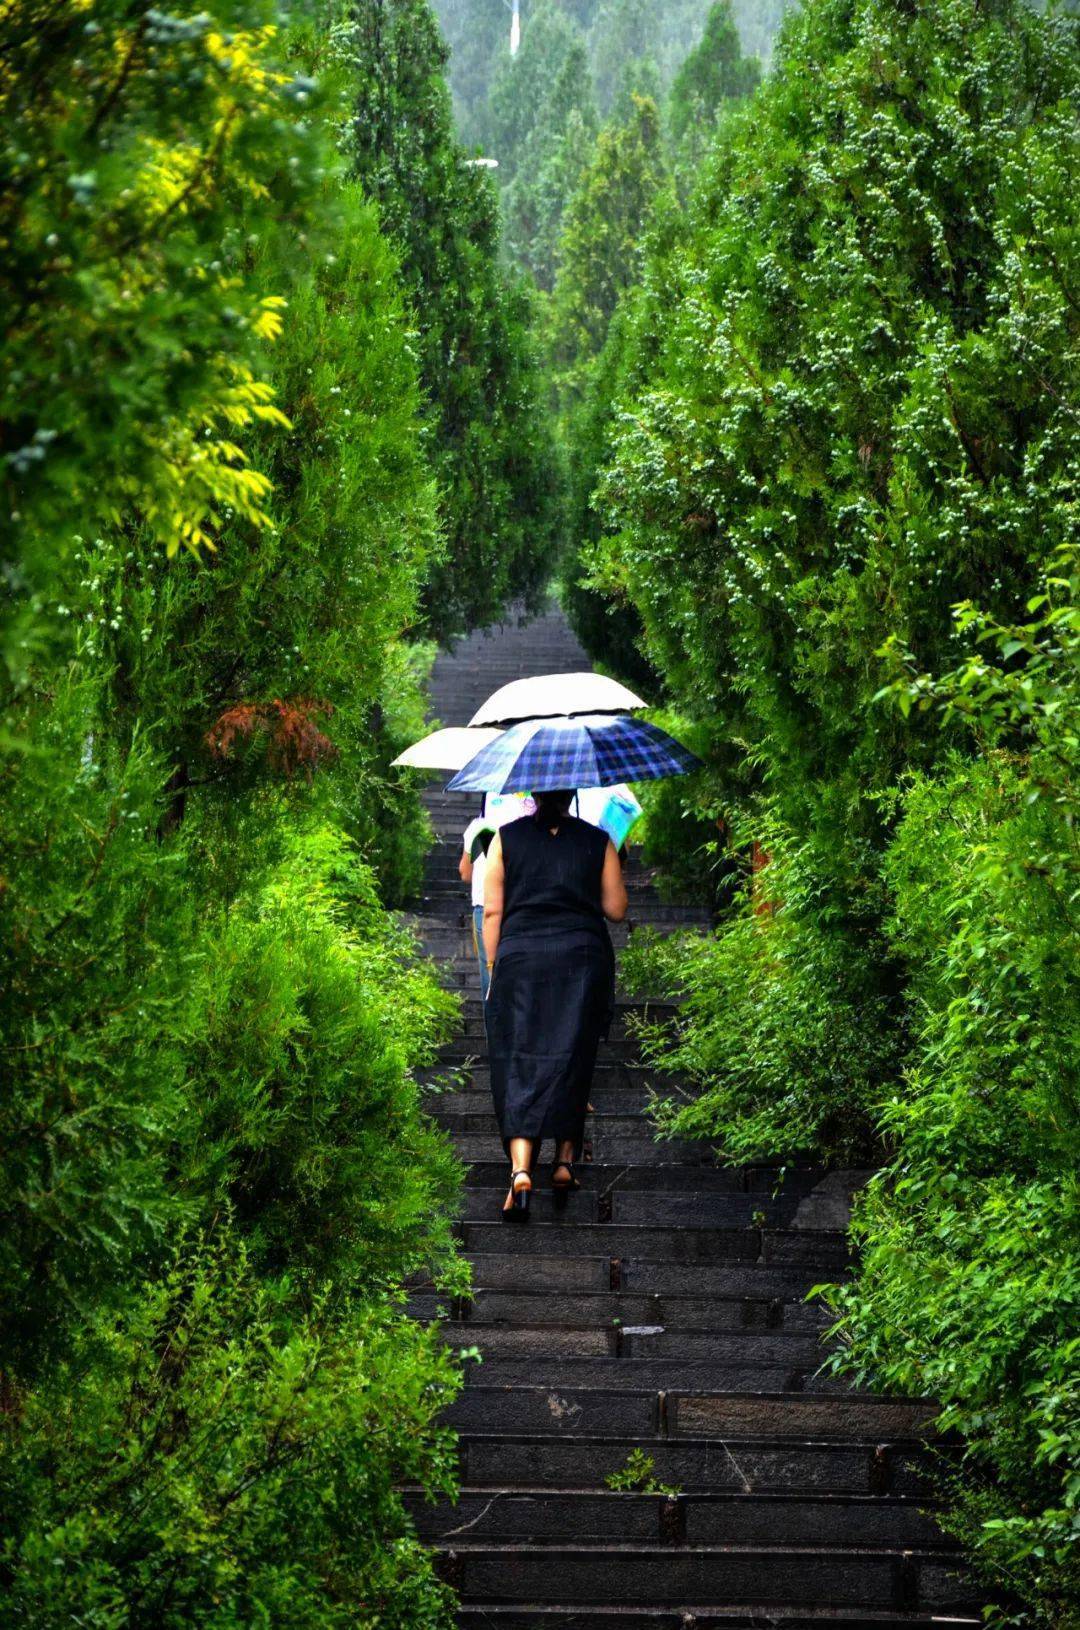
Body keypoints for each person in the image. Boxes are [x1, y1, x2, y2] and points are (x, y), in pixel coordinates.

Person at [481, 788, 629, 1221]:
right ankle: (564, 1163)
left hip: (521, 959)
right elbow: (616, 909)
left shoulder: (504, 839)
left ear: (534, 793)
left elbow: (492, 913)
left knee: (520, 1059)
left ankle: (522, 1172)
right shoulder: (597, 840)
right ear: (572, 795)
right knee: (573, 1056)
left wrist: (493, 969)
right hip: (582, 959)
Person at [459, 793, 535, 999]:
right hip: (525, 903)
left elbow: (465, 873)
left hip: (485, 902)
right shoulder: (535, 820)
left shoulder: (479, 826)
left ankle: (494, 1028)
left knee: (491, 981)